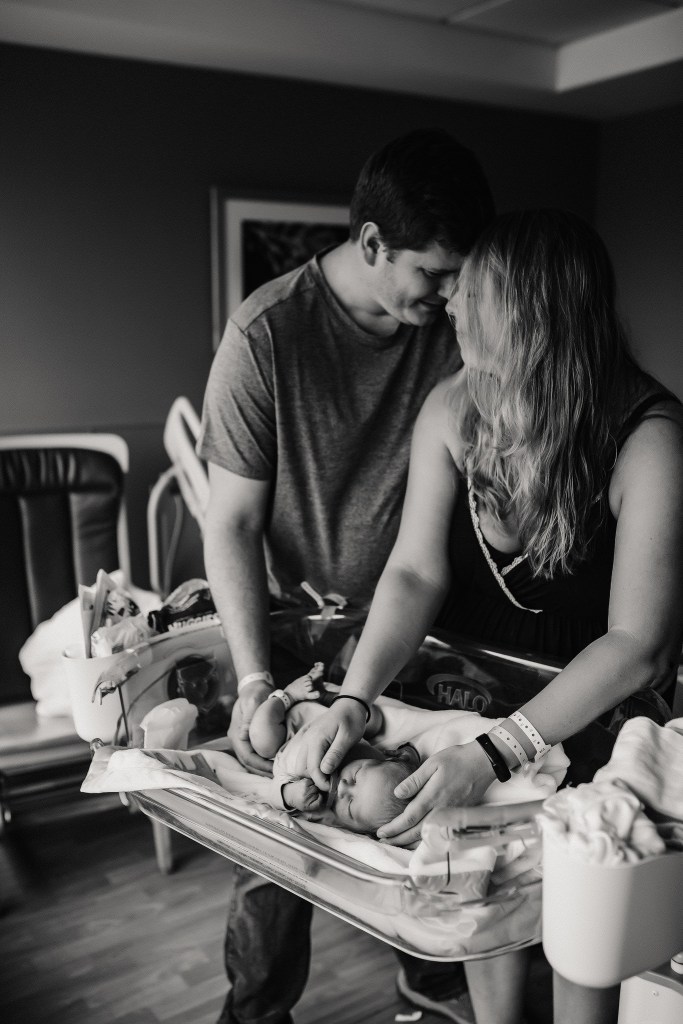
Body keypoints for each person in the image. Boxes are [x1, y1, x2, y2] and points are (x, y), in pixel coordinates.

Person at [283, 208, 683, 1024]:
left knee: (580, 922)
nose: (452, 303)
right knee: (476, 895)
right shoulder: (453, 407)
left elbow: (638, 644)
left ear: (528, 320)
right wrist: (354, 697)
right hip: (470, 684)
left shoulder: (650, 441)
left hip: (590, 700)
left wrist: (500, 751)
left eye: (473, 290)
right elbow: (414, 570)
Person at [197, 128, 495, 1024]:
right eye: (432, 275)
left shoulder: (450, 334)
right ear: (371, 244)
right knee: (278, 845)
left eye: (459, 278)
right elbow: (235, 521)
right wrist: (255, 680)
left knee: (429, 821)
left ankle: (429, 977)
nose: (448, 299)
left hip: (424, 614)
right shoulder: (265, 335)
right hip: (298, 630)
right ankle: (256, 1009)